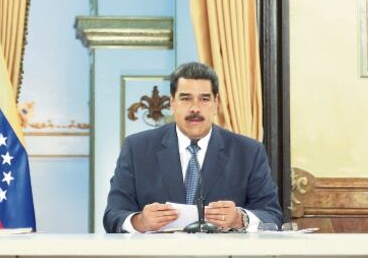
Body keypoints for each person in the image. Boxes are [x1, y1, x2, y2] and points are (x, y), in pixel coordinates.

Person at [103, 61, 282, 234]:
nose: (195, 108)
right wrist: (140, 221)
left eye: (204, 99)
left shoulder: (248, 152)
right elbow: (113, 216)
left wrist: (240, 219)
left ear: (215, 104)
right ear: (172, 103)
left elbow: (272, 217)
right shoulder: (137, 148)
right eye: (185, 98)